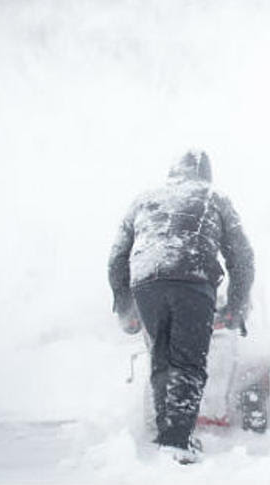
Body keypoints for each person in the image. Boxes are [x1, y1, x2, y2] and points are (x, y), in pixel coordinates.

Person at [107, 149, 254, 464]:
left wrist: (125, 308)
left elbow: (116, 258)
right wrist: (237, 306)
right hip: (192, 276)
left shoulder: (144, 200)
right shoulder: (214, 197)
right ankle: (177, 444)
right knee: (187, 363)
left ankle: (168, 436)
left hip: (145, 281)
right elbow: (242, 257)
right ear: (206, 174)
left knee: (161, 360)